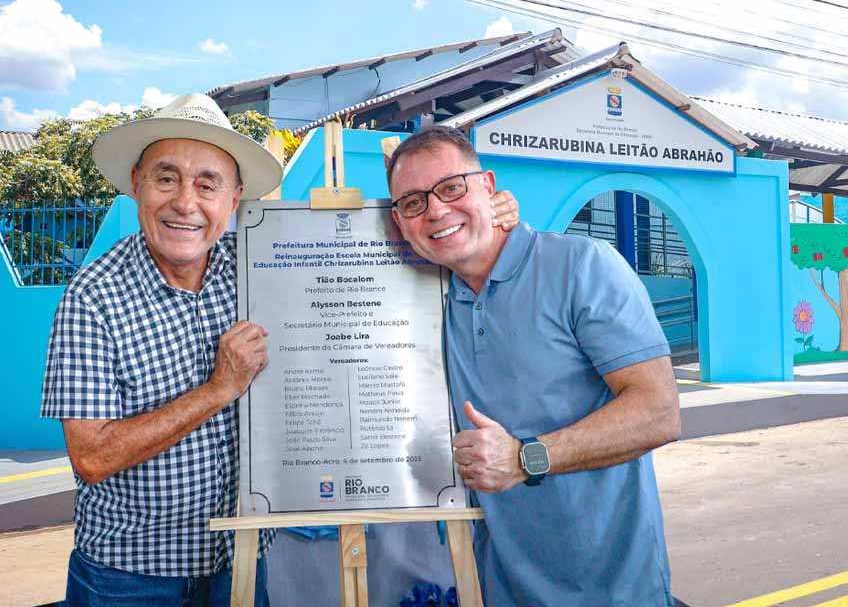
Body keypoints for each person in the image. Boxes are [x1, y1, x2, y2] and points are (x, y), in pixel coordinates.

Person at [40, 95, 520, 606]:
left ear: (235, 196)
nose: (185, 202)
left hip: (240, 560)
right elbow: (91, 456)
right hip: (129, 577)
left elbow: (369, 244)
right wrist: (217, 391)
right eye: (166, 178)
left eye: (208, 184)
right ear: (137, 182)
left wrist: (483, 220)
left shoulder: (251, 257)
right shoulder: (94, 296)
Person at [386, 126, 681, 606]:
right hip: (502, 588)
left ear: (489, 185)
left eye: (452, 187)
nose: (436, 209)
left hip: (615, 590)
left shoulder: (583, 266)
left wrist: (526, 458)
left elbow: (659, 412)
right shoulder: (431, 298)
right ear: (399, 222)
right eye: (413, 202)